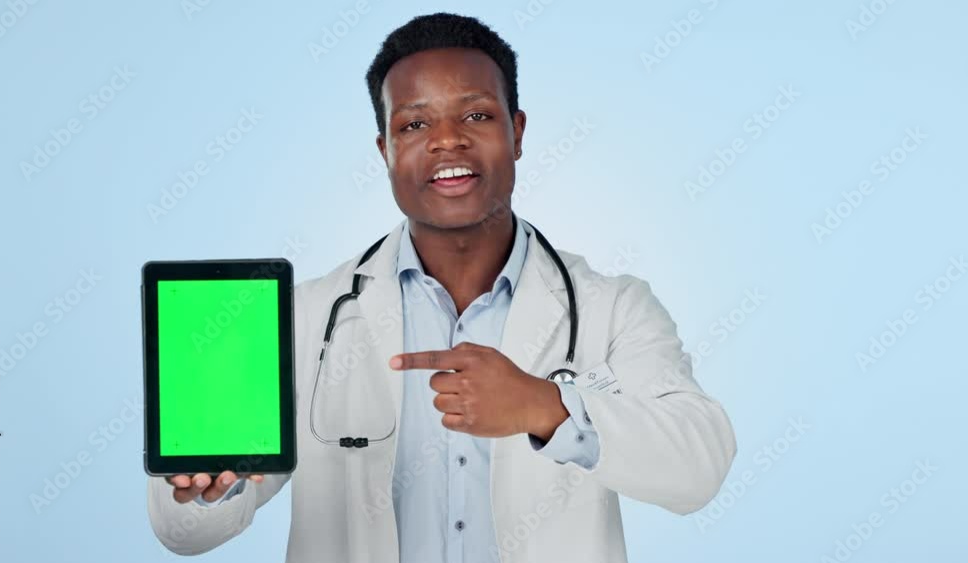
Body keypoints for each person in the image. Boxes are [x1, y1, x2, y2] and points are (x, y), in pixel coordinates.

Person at [146, 12, 736, 563]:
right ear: (386, 150)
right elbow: (186, 535)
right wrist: (203, 488)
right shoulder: (305, 317)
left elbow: (699, 468)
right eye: (415, 123)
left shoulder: (614, 307)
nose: (446, 140)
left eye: (476, 115)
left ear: (518, 131)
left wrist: (545, 406)